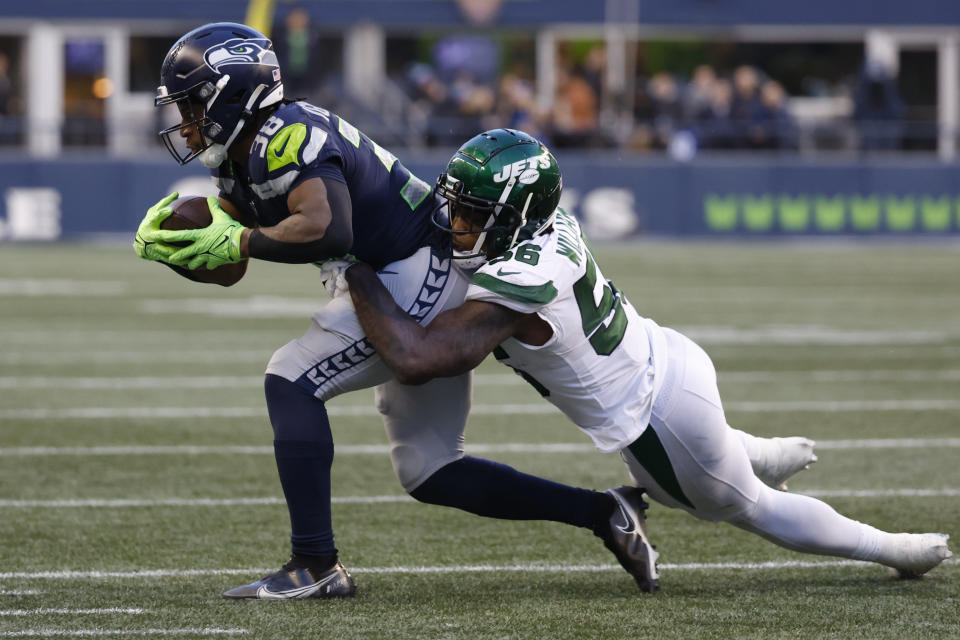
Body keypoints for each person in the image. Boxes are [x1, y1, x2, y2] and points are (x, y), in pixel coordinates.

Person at [133, 23, 666, 599]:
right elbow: (234, 265)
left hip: (415, 268)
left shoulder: (288, 136)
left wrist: (236, 241)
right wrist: (184, 249)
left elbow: (325, 228)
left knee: (290, 379)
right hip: (390, 270)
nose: (184, 120)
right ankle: (603, 512)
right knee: (430, 470)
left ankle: (315, 565)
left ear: (233, 95)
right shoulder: (239, 154)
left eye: (192, 104)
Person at [339, 128, 953, 586]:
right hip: (672, 360)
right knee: (728, 461)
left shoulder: (520, 279)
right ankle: (758, 452)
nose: (454, 221)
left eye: (472, 213)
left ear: (513, 217)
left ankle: (892, 547)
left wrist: (356, 271)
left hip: (654, 424)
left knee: (752, 509)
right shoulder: (547, 227)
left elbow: (420, 358)